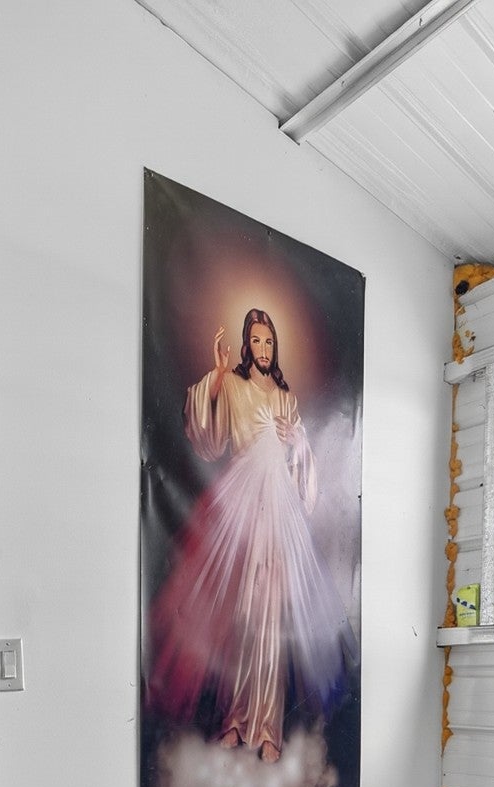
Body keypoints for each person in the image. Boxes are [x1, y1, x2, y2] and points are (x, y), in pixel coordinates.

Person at [148, 307, 350, 763]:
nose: (263, 349)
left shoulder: (286, 398)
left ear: (275, 347)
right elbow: (209, 439)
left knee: (270, 619)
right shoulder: (234, 386)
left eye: (269, 342)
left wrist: (298, 442)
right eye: (256, 341)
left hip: (278, 511)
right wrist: (218, 376)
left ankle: (268, 729)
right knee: (243, 617)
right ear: (246, 344)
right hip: (241, 507)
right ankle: (236, 721)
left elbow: (302, 464)